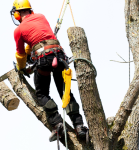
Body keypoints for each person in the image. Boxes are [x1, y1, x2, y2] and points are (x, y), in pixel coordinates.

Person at [10, 0, 87, 142]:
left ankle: (57, 123)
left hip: (44, 60)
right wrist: (30, 54)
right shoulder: (41, 17)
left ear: (16, 14)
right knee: (65, 92)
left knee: (42, 94)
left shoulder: (18, 30)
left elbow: (20, 54)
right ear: (30, 10)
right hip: (59, 56)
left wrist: (21, 68)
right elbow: (37, 40)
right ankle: (79, 126)